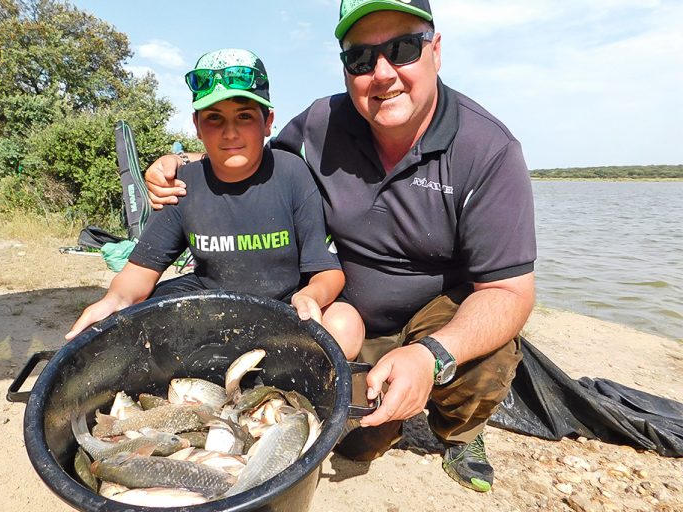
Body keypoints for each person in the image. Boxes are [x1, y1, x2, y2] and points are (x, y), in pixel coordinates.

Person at [144, 0, 536, 493]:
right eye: (361, 59)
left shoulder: (489, 150)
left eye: (404, 48)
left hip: (438, 311)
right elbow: (248, 155)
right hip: (347, 309)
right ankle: (382, 411)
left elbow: (508, 292)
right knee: (355, 440)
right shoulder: (320, 123)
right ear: (346, 68)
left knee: (490, 353)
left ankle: (461, 433)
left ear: (436, 50)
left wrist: (431, 355)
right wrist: (184, 161)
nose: (383, 73)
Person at [67, 48, 364, 362]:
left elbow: (328, 273)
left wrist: (311, 296)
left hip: (285, 308)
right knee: (135, 321)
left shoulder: (293, 174)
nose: (230, 131)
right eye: (214, 118)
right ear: (196, 125)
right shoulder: (182, 184)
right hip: (210, 311)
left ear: (268, 122)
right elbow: (139, 273)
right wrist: (115, 299)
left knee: (346, 325)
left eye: (245, 116)